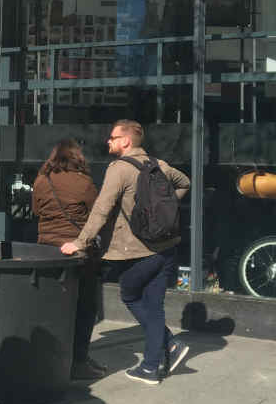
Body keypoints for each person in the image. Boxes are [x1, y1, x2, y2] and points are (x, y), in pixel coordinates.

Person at [61, 119, 192, 385]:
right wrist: (163, 209)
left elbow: (102, 208)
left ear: (126, 141)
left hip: (136, 249)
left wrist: (81, 241)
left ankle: (164, 351)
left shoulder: (119, 169)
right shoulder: (160, 165)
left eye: (112, 137)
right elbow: (185, 183)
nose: (108, 141)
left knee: (130, 295)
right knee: (154, 307)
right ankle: (152, 366)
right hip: (165, 246)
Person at [32, 138, 108, 381]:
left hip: (46, 251)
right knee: (84, 307)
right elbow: (97, 215)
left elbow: (35, 210)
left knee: (53, 307)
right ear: (77, 157)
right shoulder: (84, 182)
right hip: (77, 252)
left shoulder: (42, 180)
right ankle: (78, 361)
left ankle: (51, 359)